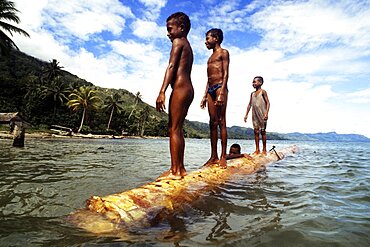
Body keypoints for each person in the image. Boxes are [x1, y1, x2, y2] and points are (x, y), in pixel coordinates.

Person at [156, 12, 194, 180]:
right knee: (177, 129)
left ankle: (174, 171)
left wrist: (162, 91)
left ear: (181, 28)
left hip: (180, 88)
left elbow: (171, 66)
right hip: (187, 89)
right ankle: (181, 169)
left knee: (173, 129)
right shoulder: (187, 45)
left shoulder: (178, 42)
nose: (168, 33)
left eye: (170, 29)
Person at [200, 28, 230, 168]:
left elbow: (225, 74)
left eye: (208, 38)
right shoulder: (210, 58)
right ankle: (213, 156)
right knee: (212, 122)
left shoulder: (223, 53)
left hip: (219, 87)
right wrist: (205, 95)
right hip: (211, 90)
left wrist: (222, 91)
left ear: (216, 38)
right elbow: (208, 78)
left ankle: (223, 156)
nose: (206, 41)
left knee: (221, 121)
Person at [244, 76, 270, 155]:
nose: (253, 83)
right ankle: (257, 149)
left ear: (260, 83)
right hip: (254, 114)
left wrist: (266, 113)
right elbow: (249, 105)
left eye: (255, 82)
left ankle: (264, 150)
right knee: (256, 131)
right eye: (253, 82)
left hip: (262, 114)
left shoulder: (263, 92)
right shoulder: (252, 94)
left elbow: (268, 103)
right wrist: (246, 115)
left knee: (263, 131)